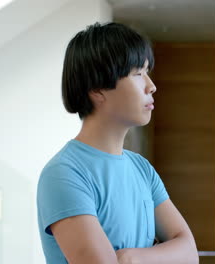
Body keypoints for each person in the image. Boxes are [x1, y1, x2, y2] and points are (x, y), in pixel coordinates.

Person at [37, 22, 198, 264]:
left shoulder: (142, 169)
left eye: (147, 72)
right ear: (97, 88)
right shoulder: (64, 173)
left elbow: (189, 253)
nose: (151, 86)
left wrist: (131, 258)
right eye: (137, 74)